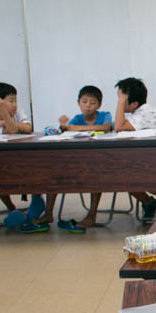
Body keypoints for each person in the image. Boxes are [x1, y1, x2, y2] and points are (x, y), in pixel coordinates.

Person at [41, 85, 114, 232]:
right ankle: (48, 213)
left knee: (96, 175)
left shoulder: (105, 115)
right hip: (77, 160)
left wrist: (74, 128)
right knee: (54, 172)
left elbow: (105, 127)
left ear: (99, 105)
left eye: (92, 103)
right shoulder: (77, 118)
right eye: (84, 101)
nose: (88, 106)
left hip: (99, 161)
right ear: (78, 102)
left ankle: (92, 214)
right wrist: (64, 126)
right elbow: (66, 129)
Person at [0, 82, 42, 225]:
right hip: (1, 161)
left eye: (15, 100)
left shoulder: (19, 112)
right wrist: (3, 115)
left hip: (24, 158)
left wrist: (3, 122)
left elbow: (28, 129)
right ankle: (10, 207)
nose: (15, 105)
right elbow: (14, 131)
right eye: (11, 101)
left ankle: (36, 203)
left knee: (38, 169)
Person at [113, 77, 156, 221]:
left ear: (133, 103)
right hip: (145, 158)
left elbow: (118, 127)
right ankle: (149, 203)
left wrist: (121, 102)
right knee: (121, 176)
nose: (119, 102)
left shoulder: (144, 112)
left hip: (154, 162)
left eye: (121, 99)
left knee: (125, 178)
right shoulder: (140, 111)